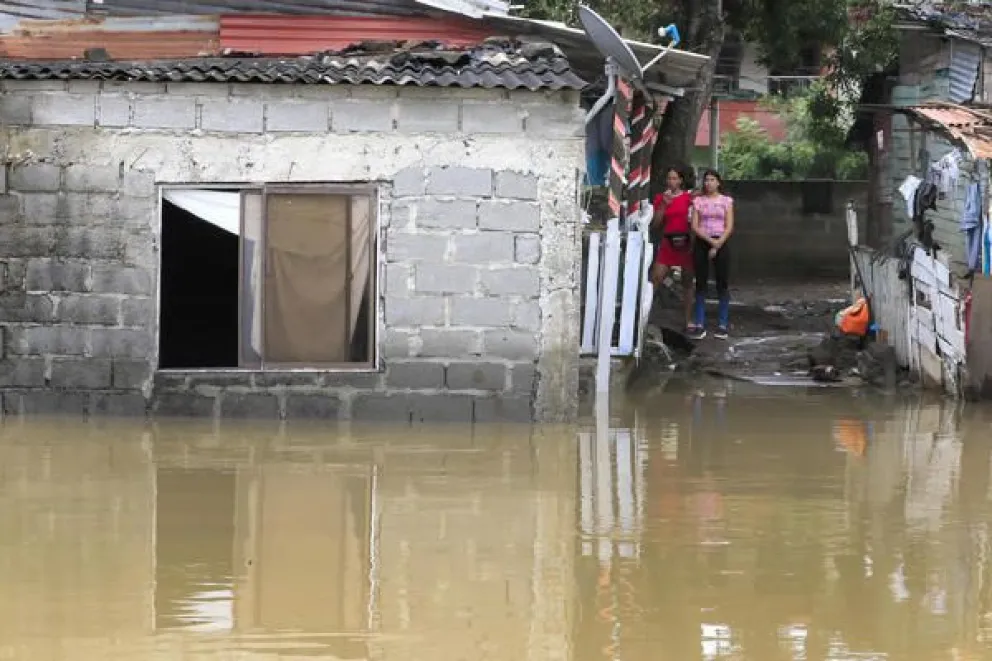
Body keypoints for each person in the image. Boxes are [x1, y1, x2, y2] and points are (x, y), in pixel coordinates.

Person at [689, 170, 735, 340]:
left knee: (722, 282)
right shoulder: (698, 201)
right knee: (700, 282)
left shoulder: (726, 201)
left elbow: (729, 225)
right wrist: (710, 241)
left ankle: (722, 323)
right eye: (706, 180)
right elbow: (695, 225)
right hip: (702, 241)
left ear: (718, 182)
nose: (708, 183)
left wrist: (718, 243)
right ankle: (700, 323)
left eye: (712, 180)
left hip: (721, 241)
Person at [650, 167, 695, 330]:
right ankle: (644, 315)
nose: (671, 182)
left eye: (675, 178)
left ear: (681, 180)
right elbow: (655, 224)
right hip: (668, 242)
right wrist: (663, 205)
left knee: (687, 282)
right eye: (669, 178)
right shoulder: (660, 198)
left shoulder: (689, 198)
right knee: (656, 277)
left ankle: (688, 320)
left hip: (686, 242)